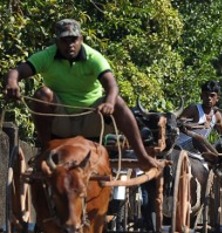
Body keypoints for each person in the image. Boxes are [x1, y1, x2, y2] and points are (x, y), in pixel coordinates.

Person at [3, 19, 159, 171]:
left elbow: (112, 85)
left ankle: (142, 156)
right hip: (61, 121)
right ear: (56, 41)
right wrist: (12, 82)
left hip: (91, 118)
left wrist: (109, 103)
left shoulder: (94, 57)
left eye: (74, 39)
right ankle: (45, 150)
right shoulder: (46, 56)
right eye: (64, 40)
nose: (70, 45)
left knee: (117, 101)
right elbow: (16, 72)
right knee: (42, 94)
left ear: (81, 39)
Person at [177, 80, 222, 151]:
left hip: (198, 148)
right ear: (201, 96)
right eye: (206, 95)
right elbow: (178, 124)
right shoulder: (193, 109)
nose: (209, 98)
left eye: (212, 95)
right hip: (180, 146)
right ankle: (215, 159)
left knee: (221, 145)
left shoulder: (217, 115)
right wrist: (200, 126)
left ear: (217, 98)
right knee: (197, 139)